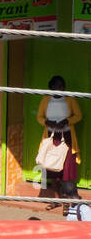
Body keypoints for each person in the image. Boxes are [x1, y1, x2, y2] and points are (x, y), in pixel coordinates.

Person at [37, 74, 82, 205]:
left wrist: (68, 120)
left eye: (63, 86)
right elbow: (39, 117)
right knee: (51, 170)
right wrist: (47, 122)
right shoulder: (45, 100)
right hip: (50, 138)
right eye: (59, 85)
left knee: (66, 172)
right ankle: (56, 199)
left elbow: (78, 116)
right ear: (52, 87)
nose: (62, 88)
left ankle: (69, 203)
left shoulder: (70, 100)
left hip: (67, 139)